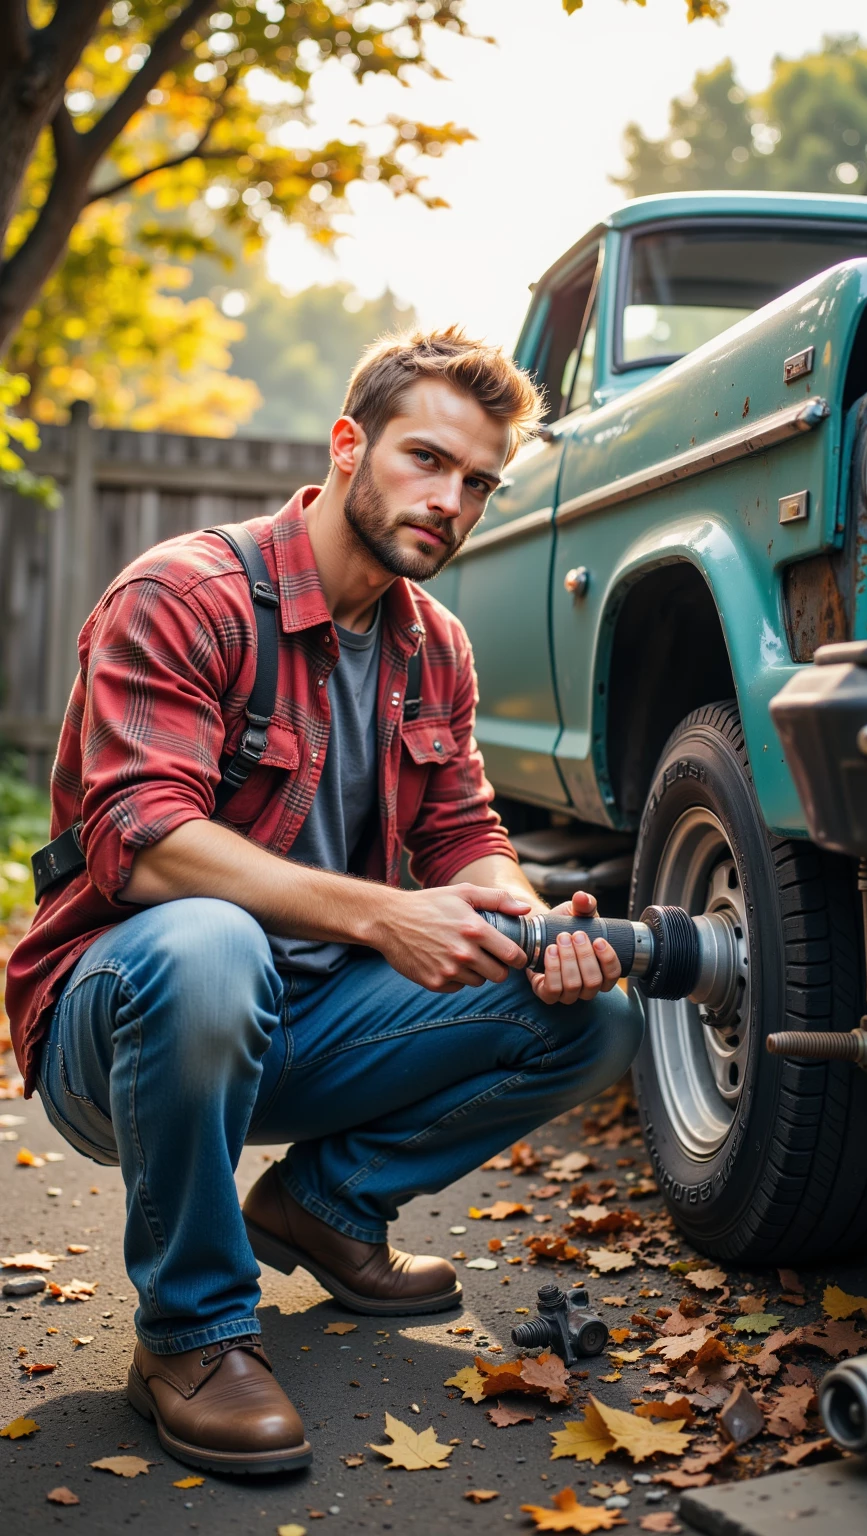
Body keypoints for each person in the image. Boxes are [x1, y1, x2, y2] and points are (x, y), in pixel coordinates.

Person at [5, 328, 644, 1476]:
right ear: (349, 446)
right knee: (209, 942)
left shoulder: (431, 645)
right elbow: (137, 842)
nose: (453, 502)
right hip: (122, 1032)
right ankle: (191, 1337)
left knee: (591, 1018)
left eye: (479, 483)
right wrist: (382, 916)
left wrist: (526, 920)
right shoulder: (187, 594)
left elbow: (465, 835)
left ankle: (323, 1210)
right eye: (427, 461)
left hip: (307, 1030)